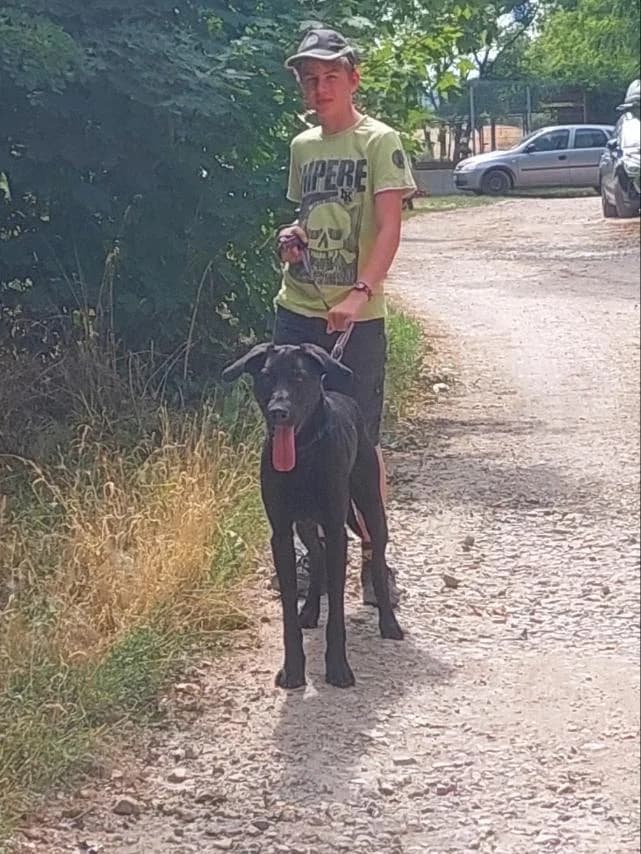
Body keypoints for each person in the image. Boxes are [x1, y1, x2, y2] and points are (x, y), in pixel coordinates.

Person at [274, 28, 416, 607]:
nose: (320, 87)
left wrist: (359, 292)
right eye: (310, 79)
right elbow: (310, 216)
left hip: (355, 318)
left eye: (331, 76)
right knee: (289, 430)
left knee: (360, 441)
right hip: (298, 309)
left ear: (353, 79)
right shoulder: (302, 146)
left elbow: (389, 227)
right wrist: (293, 239)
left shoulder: (378, 141)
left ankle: (375, 561)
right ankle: (313, 556)